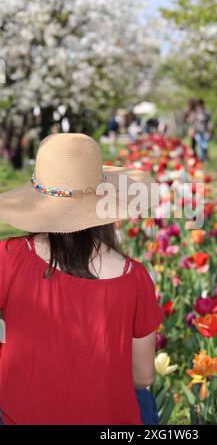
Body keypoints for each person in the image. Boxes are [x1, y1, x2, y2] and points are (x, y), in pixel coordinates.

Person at [0, 133, 164, 425]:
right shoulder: (134, 278)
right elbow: (143, 375)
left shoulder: (8, 258)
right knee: (144, 402)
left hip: (21, 415)